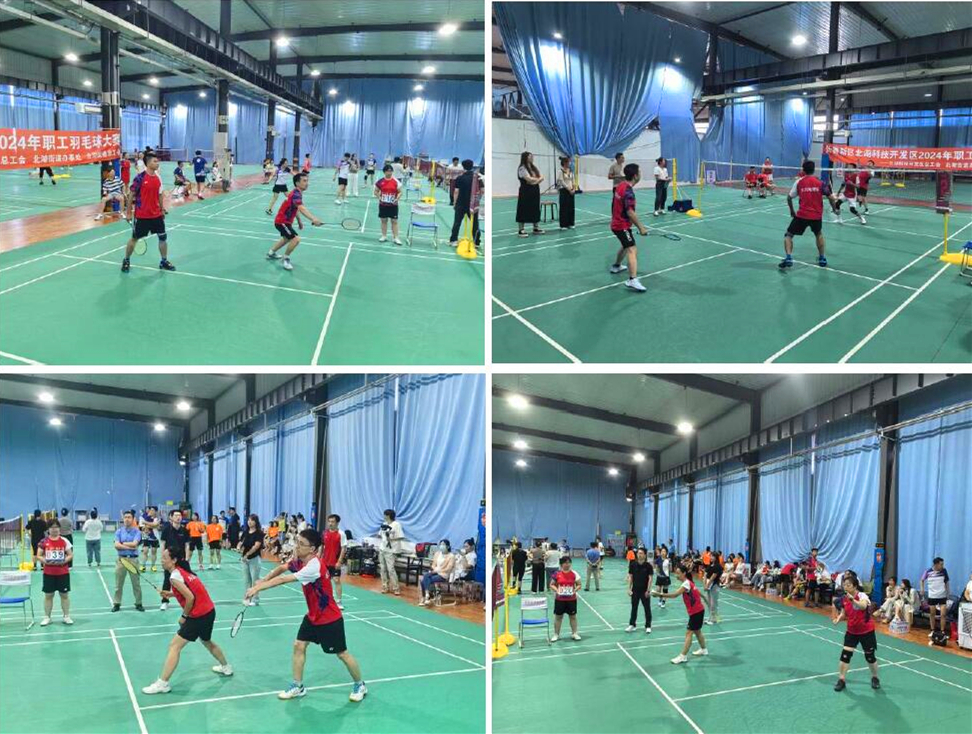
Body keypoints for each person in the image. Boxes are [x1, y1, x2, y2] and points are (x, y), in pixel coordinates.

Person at [245, 528, 367, 702]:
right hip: (313, 616)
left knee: (342, 654)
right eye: (297, 542)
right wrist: (264, 579)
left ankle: (360, 685)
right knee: (299, 645)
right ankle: (298, 686)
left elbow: (283, 580)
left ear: (312, 549)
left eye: (301, 544)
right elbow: (282, 568)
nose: (297, 546)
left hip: (329, 619)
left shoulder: (313, 567)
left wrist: (257, 588)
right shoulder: (300, 561)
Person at [142, 545, 233, 694]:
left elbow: (190, 598)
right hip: (209, 611)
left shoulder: (174, 576)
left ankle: (162, 683)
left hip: (198, 616)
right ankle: (226, 667)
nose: (161, 560)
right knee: (206, 641)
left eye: (164, 558)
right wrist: (171, 594)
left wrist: (184, 617)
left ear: (174, 560)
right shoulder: (184, 571)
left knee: (174, 646)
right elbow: (191, 591)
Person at [123, 152, 176, 273]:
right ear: (148, 163)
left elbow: (159, 195)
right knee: (134, 239)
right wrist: (129, 212)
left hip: (156, 215)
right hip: (142, 215)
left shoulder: (157, 178)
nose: (157, 163)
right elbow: (131, 195)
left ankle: (163, 261)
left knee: (162, 238)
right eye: (155, 161)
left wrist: (162, 209)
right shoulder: (140, 178)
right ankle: (126, 260)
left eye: (157, 161)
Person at [779, 160, 836, 270]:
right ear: (814, 170)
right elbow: (831, 197)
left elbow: (789, 197)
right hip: (816, 216)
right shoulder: (820, 183)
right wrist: (834, 209)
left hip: (802, 215)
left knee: (788, 235)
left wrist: (792, 211)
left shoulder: (799, 182)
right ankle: (822, 258)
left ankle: (789, 257)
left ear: (803, 170)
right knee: (818, 234)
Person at [832, 571, 880, 691]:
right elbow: (844, 613)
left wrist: (853, 600)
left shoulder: (862, 596)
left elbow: (863, 606)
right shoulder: (844, 598)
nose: (845, 587)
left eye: (848, 585)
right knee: (845, 656)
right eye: (844, 585)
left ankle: (875, 677)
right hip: (852, 631)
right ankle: (841, 679)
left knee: (870, 657)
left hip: (866, 631)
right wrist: (838, 619)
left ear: (855, 586)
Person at [266, 172, 323, 271]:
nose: (307, 183)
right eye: (304, 181)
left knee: (286, 238)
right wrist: (313, 219)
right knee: (296, 239)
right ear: (297, 183)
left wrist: (299, 220)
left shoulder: (297, 193)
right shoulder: (296, 194)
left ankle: (271, 252)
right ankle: (286, 259)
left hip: (285, 221)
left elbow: (295, 208)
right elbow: (301, 208)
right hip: (282, 221)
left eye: (307, 181)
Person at [653, 563, 708, 664]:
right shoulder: (689, 582)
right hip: (698, 611)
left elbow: (674, 595)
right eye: (676, 573)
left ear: (684, 573)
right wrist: (704, 597)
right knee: (697, 631)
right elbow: (696, 591)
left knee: (689, 633)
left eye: (678, 573)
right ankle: (704, 649)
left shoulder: (686, 584)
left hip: (696, 612)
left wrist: (659, 594)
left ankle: (683, 656)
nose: (676, 575)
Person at [609, 163, 650, 293]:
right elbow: (630, 212)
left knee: (625, 245)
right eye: (639, 172)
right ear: (635, 176)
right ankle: (632, 279)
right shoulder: (628, 191)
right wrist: (641, 228)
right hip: (621, 225)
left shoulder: (620, 186)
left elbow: (614, 204)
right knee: (632, 249)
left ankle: (616, 266)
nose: (640, 174)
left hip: (617, 223)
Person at [37, 519, 73, 626]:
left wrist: (64, 561)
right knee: (48, 596)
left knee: (64, 595)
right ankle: (47, 617)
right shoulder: (43, 541)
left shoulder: (64, 540)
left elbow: (70, 555)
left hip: (63, 573)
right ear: (48, 529)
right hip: (49, 573)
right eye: (52, 527)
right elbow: (38, 555)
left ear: (59, 528)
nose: (54, 529)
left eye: (56, 527)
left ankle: (66, 616)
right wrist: (45, 561)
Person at [112, 510, 144, 612]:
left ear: (133, 519)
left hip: (133, 560)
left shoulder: (137, 532)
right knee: (118, 584)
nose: (127, 519)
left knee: (136, 584)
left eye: (129, 517)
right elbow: (116, 545)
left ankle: (138, 603)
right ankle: (117, 603)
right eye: (125, 517)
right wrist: (129, 547)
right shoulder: (119, 531)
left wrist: (122, 543)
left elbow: (135, 544)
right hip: (121, 560)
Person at [159, 509, 190, 612]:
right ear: (171, 517)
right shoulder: (166, 530)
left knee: (187, 580)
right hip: (169, 560)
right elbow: (163, 544)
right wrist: (163, 558)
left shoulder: (184, 530)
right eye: (176, 515)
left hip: (181, 559)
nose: (178, 517)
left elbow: (187, 545)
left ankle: (187, 599)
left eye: (179, 515)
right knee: (167, 580)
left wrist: (187, 558)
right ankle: (164, 601)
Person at [448, 159, 480, 247]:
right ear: (472, 166)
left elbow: (456, 192)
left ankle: (453, 240)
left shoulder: (460, 178)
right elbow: (482, 190)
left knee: (457, 222)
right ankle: (476, 242)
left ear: (463, 167)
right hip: (472, 205)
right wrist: (477, 201)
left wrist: (454, 203)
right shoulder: (477, 178)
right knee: (475, 223)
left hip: (460, 204)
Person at [549, 556, 582, 642]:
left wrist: (574, 590)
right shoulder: (557, 574)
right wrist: (557, 590)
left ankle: (574, 633)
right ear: (561, 564)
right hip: (560, 600)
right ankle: (556, 634)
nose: (567, 564)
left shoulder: (574, 573)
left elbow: (579, 584)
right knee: (558, 617)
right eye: (565, 563)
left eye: (569, 563)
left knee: (573, 616)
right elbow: (551, 584)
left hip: (571, 599)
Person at [920, 557, 950, 641]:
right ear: (936, 564)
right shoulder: (928, 571)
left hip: (942, 595)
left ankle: (942, 631)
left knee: (943, 614)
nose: (942, 566)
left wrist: (948, 592)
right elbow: (922, 580)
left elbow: (947, 582)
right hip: (932, 596)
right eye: (941, 564)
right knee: (932, 614)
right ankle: (932, 630)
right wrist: (922, 589)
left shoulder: (944, 571)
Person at [515, 151, 544, 237]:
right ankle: (521, 229)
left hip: (535, 191)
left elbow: (539, 177)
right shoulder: (522, 168)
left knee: (535, 208)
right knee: (523, 208)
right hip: (525, 191)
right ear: (525, 158)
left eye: (532, 156)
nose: (532, 158)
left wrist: (535, 181)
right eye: (530, 156)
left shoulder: (533, 168)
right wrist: (537, 180)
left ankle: (536, 228)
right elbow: (528, 179)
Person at [322, 514, 348, 610]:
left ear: (337, 523)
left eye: (332, 522)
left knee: (336, 580)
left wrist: (339, 561)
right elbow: (322, 546)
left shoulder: (341, 534)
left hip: (335, 562)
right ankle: (327, 600)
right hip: (325, 562)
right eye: (329, 521)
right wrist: (319, 558)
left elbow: (343, 548)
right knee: (325, 582)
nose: (330, 523)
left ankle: (339, 601)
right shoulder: (325, 533)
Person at [419, 540, 455, 606]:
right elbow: (433, 564)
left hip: (443, 574)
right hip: (435, 571)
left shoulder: (451, 556)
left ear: (448, 546)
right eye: (441, 544)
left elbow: (448, 568)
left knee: (424, 580)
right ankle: (427, 595)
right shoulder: (437, 553)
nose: (441, 546)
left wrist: (438, 571)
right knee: (425, 577)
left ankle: (426, 597)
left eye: (443, 544)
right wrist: (434, 569)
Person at [626, 547, 654, 633]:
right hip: (635, 590)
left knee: (647, 608)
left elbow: (650, 578)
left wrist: (648, 590)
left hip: (644, 591)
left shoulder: (648, 566)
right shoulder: (633, 565)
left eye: (641, 553)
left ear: (645, 555)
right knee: (634, 608)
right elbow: (630, 577)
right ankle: (632, 625)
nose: (639, 555)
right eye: (638, 553)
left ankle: (648, 626)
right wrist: (629, 589)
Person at [374, 164, 403, 245]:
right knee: (384, 220)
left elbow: (400, 192)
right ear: (384, 172)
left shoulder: (396, 181)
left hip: (393, 205)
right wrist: (379, 197)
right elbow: (375, 191)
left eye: (391, 171)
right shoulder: (380, 181)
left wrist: (397, 198)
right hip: (383, 205)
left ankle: (396, 237)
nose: (389, 173)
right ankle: (384, 236)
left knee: (394, 221)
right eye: (388, 171)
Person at [240, 514, 265, 606]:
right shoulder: (245, 532)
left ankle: (255, 599)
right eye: (248, 520)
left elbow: (256, 546)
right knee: (246, 580)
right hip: (244, 559)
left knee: (255, 580)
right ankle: (247, 598)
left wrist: (247, 554)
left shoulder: (259, 533)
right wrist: (240, 547)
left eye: (252, 520)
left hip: (254, 558)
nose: (249, 522)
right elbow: (242, 542)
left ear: (256, 522)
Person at [378, 509, 403, 595]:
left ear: (388, 516)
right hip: (382, 549)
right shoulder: (384, 524)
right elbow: (380, 534)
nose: (384, 516)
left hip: (391, 550)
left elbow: (401, 537)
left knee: (391, 569)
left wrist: (391, 539)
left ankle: (396, 588)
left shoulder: (396, 525)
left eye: (385, 515)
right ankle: (385, 586)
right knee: (383, 569)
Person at [555, 156, 577, 230]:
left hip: (571, 190)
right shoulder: (560, 171)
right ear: (564, 163)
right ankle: (563, 225)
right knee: (564, 208)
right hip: (564, 191)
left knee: (571, 207)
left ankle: (571, 223)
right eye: (568, 162)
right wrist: (568, 189)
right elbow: (561, 181)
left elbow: (573, 180)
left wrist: (574, 188)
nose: (569, 163)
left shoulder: (570, 171)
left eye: (569, 162)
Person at [703, 551, 723, 624]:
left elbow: (713, 577)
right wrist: (705, 584)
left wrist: (707, 585)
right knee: (708, 602)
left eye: (713, 556)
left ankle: (714, 619)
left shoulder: (718, 566)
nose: (711, 557)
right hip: (708, 586)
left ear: (716, 557)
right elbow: (705, 574)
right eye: (711, 556)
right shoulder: (710, 565)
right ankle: (710, 617)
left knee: (713, 603)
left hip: (714, 586)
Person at [139, 506, 160, 572]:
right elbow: (142, 527)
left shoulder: (158, 518)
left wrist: (145, 523)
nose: (151, 511)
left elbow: (155, 525)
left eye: (153, 510)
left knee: (154, 551)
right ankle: (143, 566)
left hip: (155, 537)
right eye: (150, 510)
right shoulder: (144, 517)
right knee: (145, 551)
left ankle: (153, 566)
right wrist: (151, 525)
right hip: (146, 536)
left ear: (156, 511)